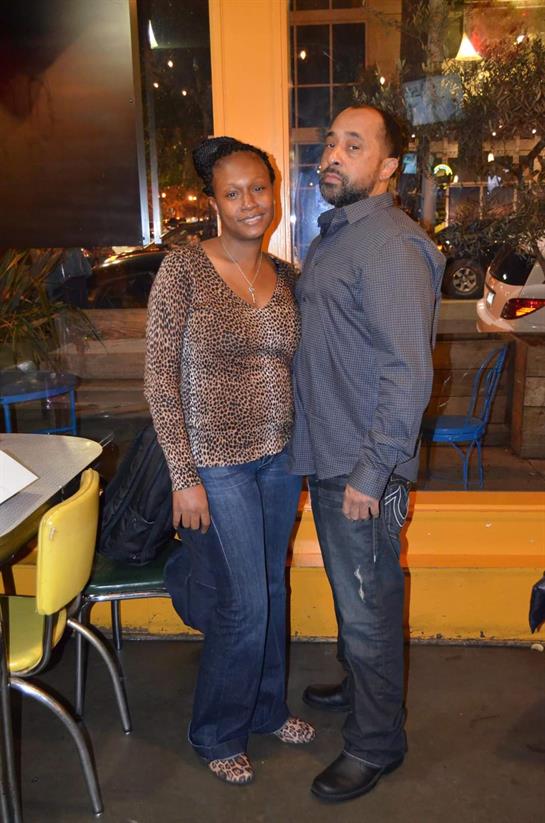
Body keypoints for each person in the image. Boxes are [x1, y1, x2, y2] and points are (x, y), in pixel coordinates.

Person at [144, 136, 315, 786]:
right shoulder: (182, 271)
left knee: (273, 587)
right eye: (233, 191)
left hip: (279, 458)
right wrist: (182, 476)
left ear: (273, 194)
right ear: (213, 201)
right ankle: (215, 730)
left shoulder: (285, 275)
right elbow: (160, 379)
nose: (249, 201)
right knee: (243, 602)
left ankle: (267, 708)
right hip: (215, 462)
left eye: (258, 188)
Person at [289, 105, 445, 802]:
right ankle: (359, 683)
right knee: (355, 598)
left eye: (353, 145)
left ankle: (376, 742)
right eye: (329, 141)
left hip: (360, 467)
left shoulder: (389, 245)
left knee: (368, 604)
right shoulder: (338, 235)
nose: (332, 153)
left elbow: (406, 372)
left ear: (387, 167)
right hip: (331, 451)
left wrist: (370, 471)